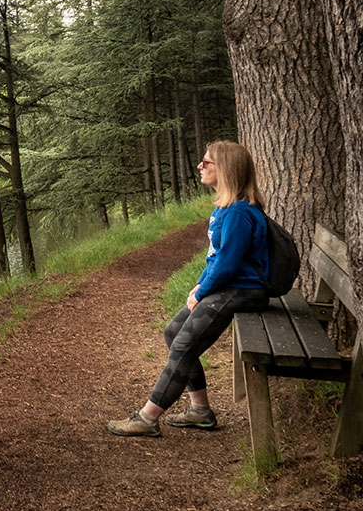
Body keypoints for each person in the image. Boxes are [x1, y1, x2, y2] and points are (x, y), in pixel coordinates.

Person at [107, 140, 271, 437]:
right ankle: (200, 410)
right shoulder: (227, 208)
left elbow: (229, 264)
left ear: (226, 169)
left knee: (183, 344)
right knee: (173, 333)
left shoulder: (236, 212)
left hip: (243, 290)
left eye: (206, 162)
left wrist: (201, 290)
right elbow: (217, 257)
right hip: (231, 286)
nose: (200, 166)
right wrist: (200, 284)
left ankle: (147, 417)